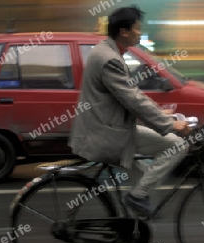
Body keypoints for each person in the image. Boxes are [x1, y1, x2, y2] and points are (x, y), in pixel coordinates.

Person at [68, 6, 191, 217]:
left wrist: (161, 114)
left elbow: (132, 93)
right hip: (107, 135)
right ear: (124, 31)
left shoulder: (107, 51)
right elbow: (132, 99)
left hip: (104, 128)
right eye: (138, 28)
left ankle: (134, 229)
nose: (140, 33)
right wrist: (170, 125)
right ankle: (137, 198)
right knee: (177, 145)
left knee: (142, 173)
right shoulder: (110, 59)